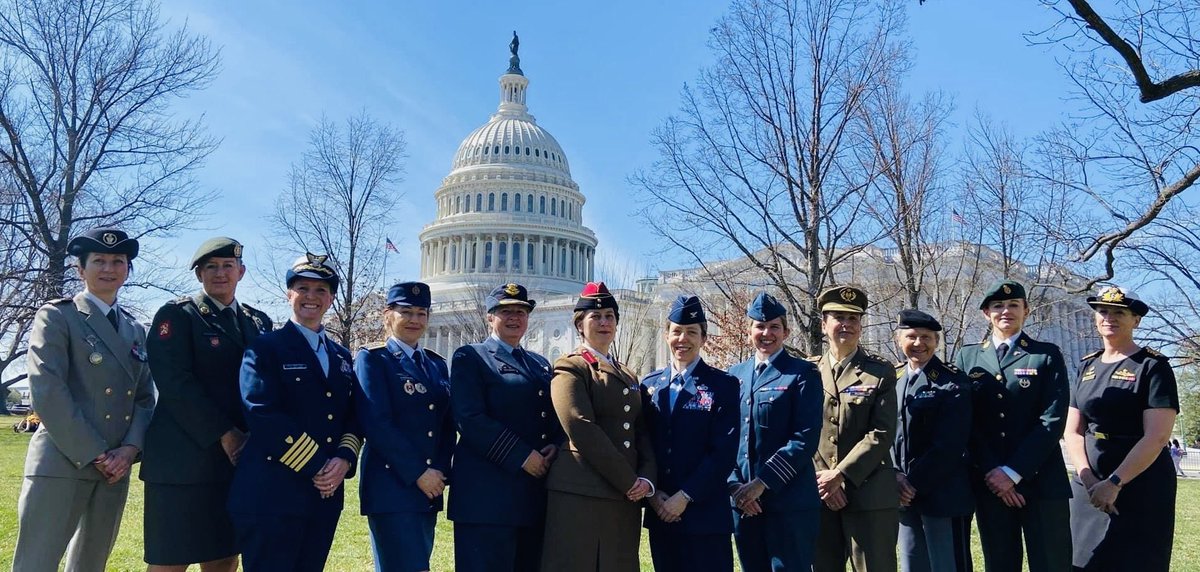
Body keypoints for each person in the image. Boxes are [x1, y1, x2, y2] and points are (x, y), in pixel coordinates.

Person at [13, 227, 156, 572]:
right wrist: (95, 452)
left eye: (118, 261)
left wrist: (129, 450)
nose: (109, 268)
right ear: (80, 269)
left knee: (91, 564)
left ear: (127, 269)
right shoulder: (58, 315)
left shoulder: (135, 329)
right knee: (37, 562)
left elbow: (144, 398)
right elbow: (47, 388)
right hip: (64, 460)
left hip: (113, 468)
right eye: (99, 261)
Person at [141, 237, 272, 572]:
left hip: (235, 467)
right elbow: (175, 384)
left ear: (241, 272)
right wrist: (226, 434)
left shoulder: (258, 323)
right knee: (170, 562)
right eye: (210, 267)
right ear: (199, 274)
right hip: (181, 464)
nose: (220, 273)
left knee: (224, 560)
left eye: (228, 266)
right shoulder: (177, 316)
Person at [226, 253, 363, 572]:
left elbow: (354, 414)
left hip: (323, 497)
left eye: (321, 291)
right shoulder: (265, 348)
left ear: (330, 299)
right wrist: (318, 465)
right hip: (273, 494)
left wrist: (344, 459)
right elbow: (260, 411)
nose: (311, 298)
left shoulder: (342, 357)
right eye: (303, 289)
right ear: (290, 294)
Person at [954, 280, 1071, 572]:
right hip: (989, 483)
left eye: (1013, 305)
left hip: (1041, 480)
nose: (1006, 311)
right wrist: (995, 472)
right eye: (998, 306)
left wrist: (1013, 472)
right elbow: (965, 422)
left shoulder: (1046, 355)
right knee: (1000, 563)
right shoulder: (967, 357)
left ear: (1026, 311)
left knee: (1051, 562)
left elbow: (1053, 419)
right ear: (986, 313)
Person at [541, 282, 657, 572]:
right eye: (596, 316)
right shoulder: (571, 367)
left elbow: (640, 430)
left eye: (609, 316)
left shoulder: (627, 373)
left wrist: (647, 478)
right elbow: (580, 426)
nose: (604, 322)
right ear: (580, 324)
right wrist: (628, 479)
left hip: (625, 495)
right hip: (583, 493)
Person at [448, 283, 561, 572]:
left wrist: (555, 445)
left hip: (531, 499)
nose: (514, 318)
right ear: (490, 316)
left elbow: (552, 415)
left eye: (521, 311)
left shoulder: (539, 365)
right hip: (486, 501)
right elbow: (469, 418)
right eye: (505, 311)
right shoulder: (470, 358)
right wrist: (523, 456)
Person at [1066, 286, 1178, 571]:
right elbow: (1073, 431)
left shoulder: (1152, 366)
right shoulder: (1086, 366)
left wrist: (1114, 483)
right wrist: (1089, 479)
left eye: (1119, 312)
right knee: (1083, 561)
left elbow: (1158, 436)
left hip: (1140, 480)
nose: (1109, 317)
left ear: (1135, 321)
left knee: (1136, 561)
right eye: (1103, 311)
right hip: (1089, 480)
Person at [355, 281, 453, 572]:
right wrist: (419, 472)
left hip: (429, 487)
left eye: (422, 313)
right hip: (392, 487)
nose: (414, 320)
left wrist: (439, 471)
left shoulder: (436, 365)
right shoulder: (373, 359)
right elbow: (376, 424)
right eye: (406, 312)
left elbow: (446, 425)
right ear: (387, 315)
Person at [641, 295, 740, 572]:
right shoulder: (649, 386)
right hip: (661, 513)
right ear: (666, 335)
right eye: (676, 331)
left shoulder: (723, 385)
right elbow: (643, 445)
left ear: (704, 338)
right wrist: (654, 494)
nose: (683, 339)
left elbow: (723, 452)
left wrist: (684, 497)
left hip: (705, 516)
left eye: (692, 332)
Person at [726, 292, 823, 572]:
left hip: (788, 505)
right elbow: (726, 437)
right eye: (759, 326)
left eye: (774, 327)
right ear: (749, 331)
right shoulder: (734, 375)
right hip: (744, 505)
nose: (766, 333)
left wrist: (761, 484)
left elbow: (804, 438)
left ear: (786, 332)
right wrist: (736, 487)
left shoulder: (802, 373)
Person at [810, 286, 900, 572]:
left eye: (853, 318)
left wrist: (840, 475)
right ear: (824, 324)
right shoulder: (807, 373)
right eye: (838, 317)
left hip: (869, 495)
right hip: (819, 494)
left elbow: (882, 432)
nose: (846, 325)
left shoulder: (880, 372)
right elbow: (801, 431)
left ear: (861, 325)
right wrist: (823, 481)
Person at [892, 310, 974, 572]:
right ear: (898, 340)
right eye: (911, 336)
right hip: (902, 495)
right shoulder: (892, 380)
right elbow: (886, 435)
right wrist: (895, 476)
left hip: (943, 494)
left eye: (926, 337)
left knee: (947, 566)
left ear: (937, 342)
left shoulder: (953, 381)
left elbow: (950, 443)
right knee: (911, 565)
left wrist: (911, 483)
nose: (919, 343)